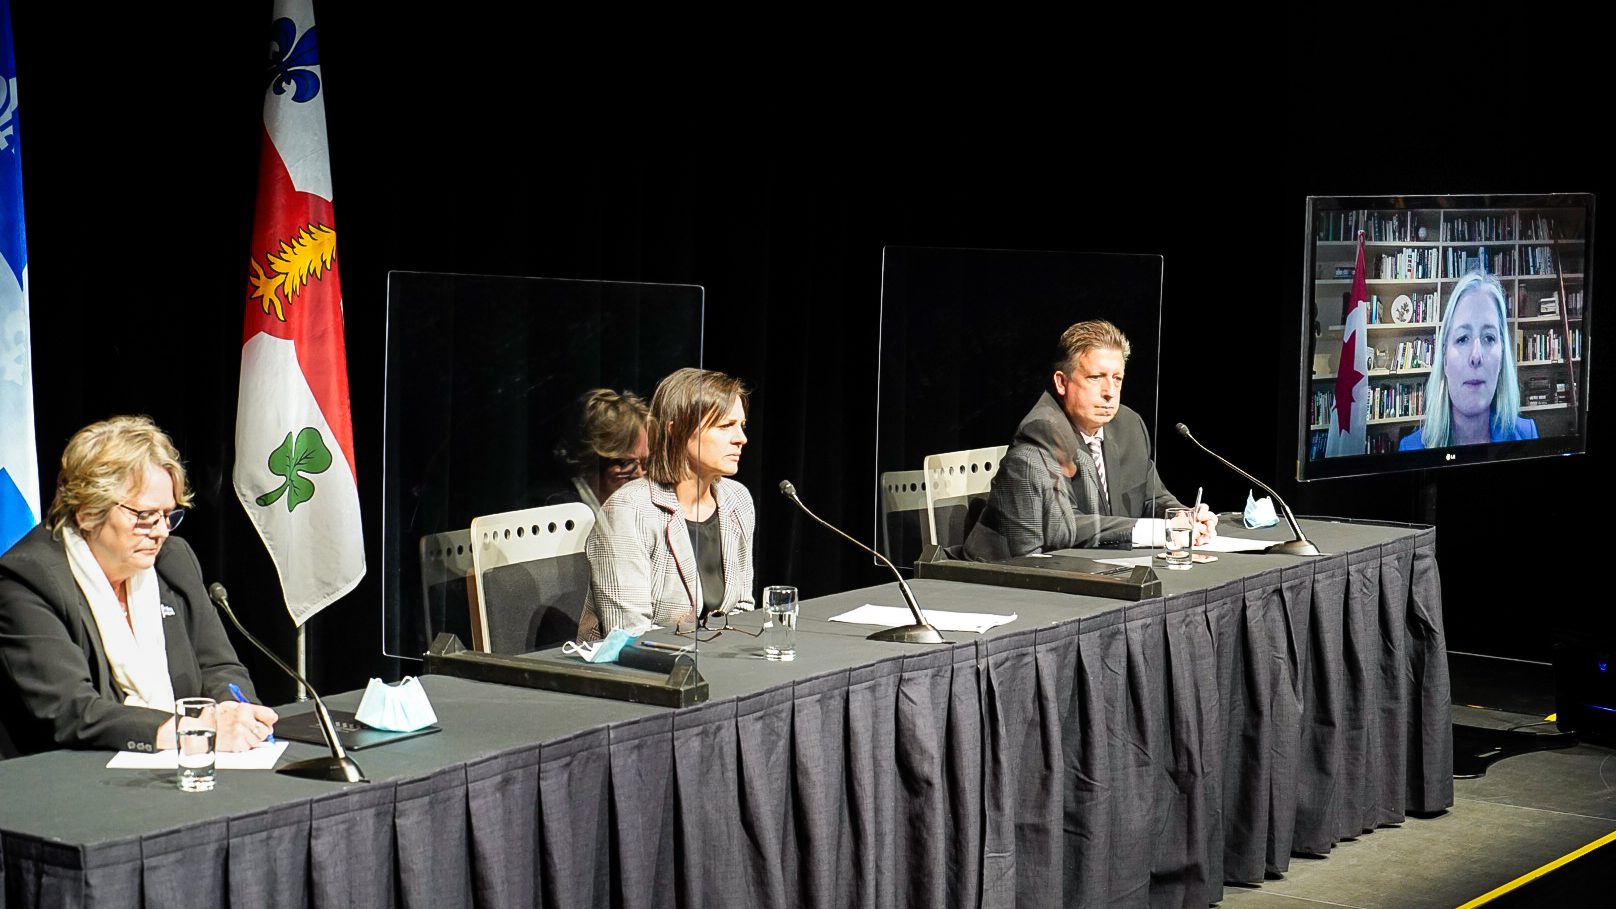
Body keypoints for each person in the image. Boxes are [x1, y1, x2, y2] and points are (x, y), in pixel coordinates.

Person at [0, 416, 277, 757]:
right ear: (87, 512)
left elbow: (220, 668)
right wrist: (190, 733)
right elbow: (72, 710)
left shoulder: (173, 560)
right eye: (145, 516)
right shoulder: (27, 580)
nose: (161, 531)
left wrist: (235, 711)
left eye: (168, 515)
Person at [964, 319, 1215, 559]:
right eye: (1096, 378)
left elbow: (1152, 497)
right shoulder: (1042, 432)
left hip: (1096, 567)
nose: (1109, 392)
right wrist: (1161, 531)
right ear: (1062, 383)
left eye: (1117, 379)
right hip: (1006, 576)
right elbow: (1064, 525)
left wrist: (1184, 517)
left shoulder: (1129, 425)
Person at [576, 368, 754, 641]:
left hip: (716, 664)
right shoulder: (628, 510)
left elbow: (742, 609)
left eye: (741, 426)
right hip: (638, 675)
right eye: (725, 426)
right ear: (677, 430)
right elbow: (629, 634)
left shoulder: (737, 500)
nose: (740, 438)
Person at [1398, 270, 1538, 450]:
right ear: (1445, 360)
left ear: (1502, 356)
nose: (1476, 356)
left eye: (1489, 338)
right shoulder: (1410, 449)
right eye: (1463, 338)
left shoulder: (1527, 435)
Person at [548, 388, 652, 522]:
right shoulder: (560, 513)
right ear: (592, 459)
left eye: (644, 464)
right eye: (627, 463)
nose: (639, 475)